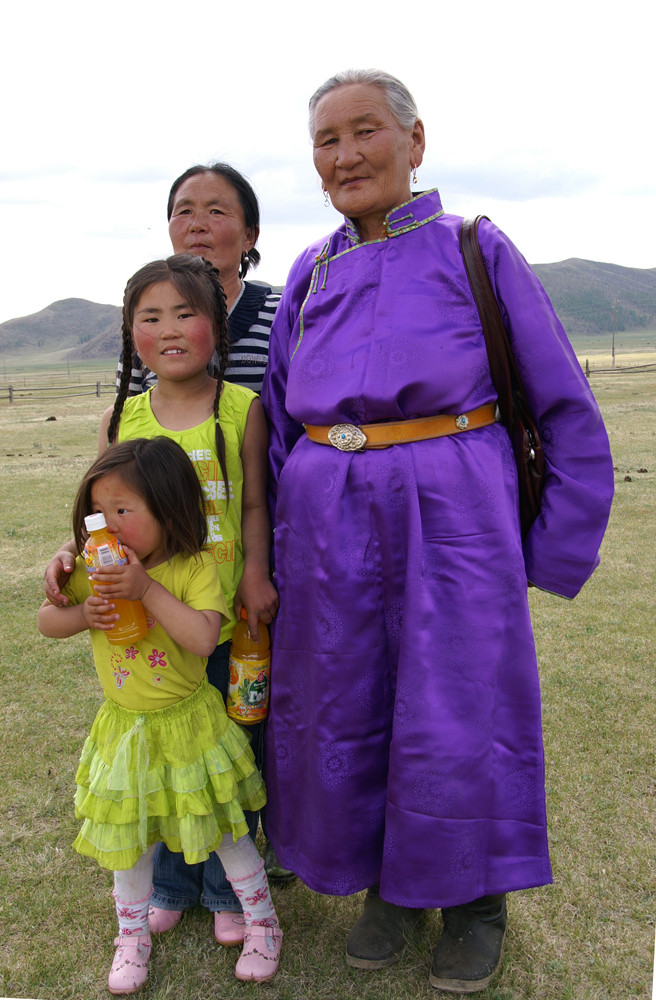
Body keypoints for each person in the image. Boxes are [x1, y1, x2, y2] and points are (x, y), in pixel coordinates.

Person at [260, 69, 614, 993]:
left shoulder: (474, 249)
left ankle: (477, 899)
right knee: (351, 701)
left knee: (459, 709)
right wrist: (279, 545)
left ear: (415, 143)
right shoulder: (312, 269)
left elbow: (564, 406)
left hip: (454, 519)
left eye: (365, 131)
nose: (345, 156)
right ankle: (389, 884)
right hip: (328, 526)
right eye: (326, 142)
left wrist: (546, 549)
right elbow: (278, 418)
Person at [44, 253, 281, 948]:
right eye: (150, 317)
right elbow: (98, 509)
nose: (170, 329)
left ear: (218, 326)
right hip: (148, 625)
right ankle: (175, 887)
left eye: (187, 313)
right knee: (162, 761)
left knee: (224, 757)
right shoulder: (125, 415)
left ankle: (224, 893)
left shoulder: (243, 409)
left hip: (220, 615)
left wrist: (255, 573)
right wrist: (70, 554)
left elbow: (257, 504)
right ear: (130, 333)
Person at [38, 437, 283, 992]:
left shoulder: (193, 566)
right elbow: (44, 624)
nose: (111, 525)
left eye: (124, 511)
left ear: (170, 507)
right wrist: (82, 613)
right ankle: (131, 937)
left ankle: (262, 921)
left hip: (190, 726)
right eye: (101, 512)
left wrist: (145, 589)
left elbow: (201, 638)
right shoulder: (96, 566)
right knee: (132, 839)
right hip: (126, 730)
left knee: (226, 830)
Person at [118, 162, 280, 396]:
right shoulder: (146, 320)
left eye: (216, 211)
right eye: (184, 212)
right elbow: (127, 421)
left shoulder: (283, 316)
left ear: (249, 236)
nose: (197, 226)